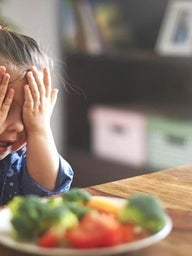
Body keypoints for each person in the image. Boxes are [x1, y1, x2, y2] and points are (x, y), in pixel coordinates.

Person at [0, 24, 74, 205]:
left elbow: (49, 193)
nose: (18, 125)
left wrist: (39, 130)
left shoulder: (23, 160)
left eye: (30, 112)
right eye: (3, 107)